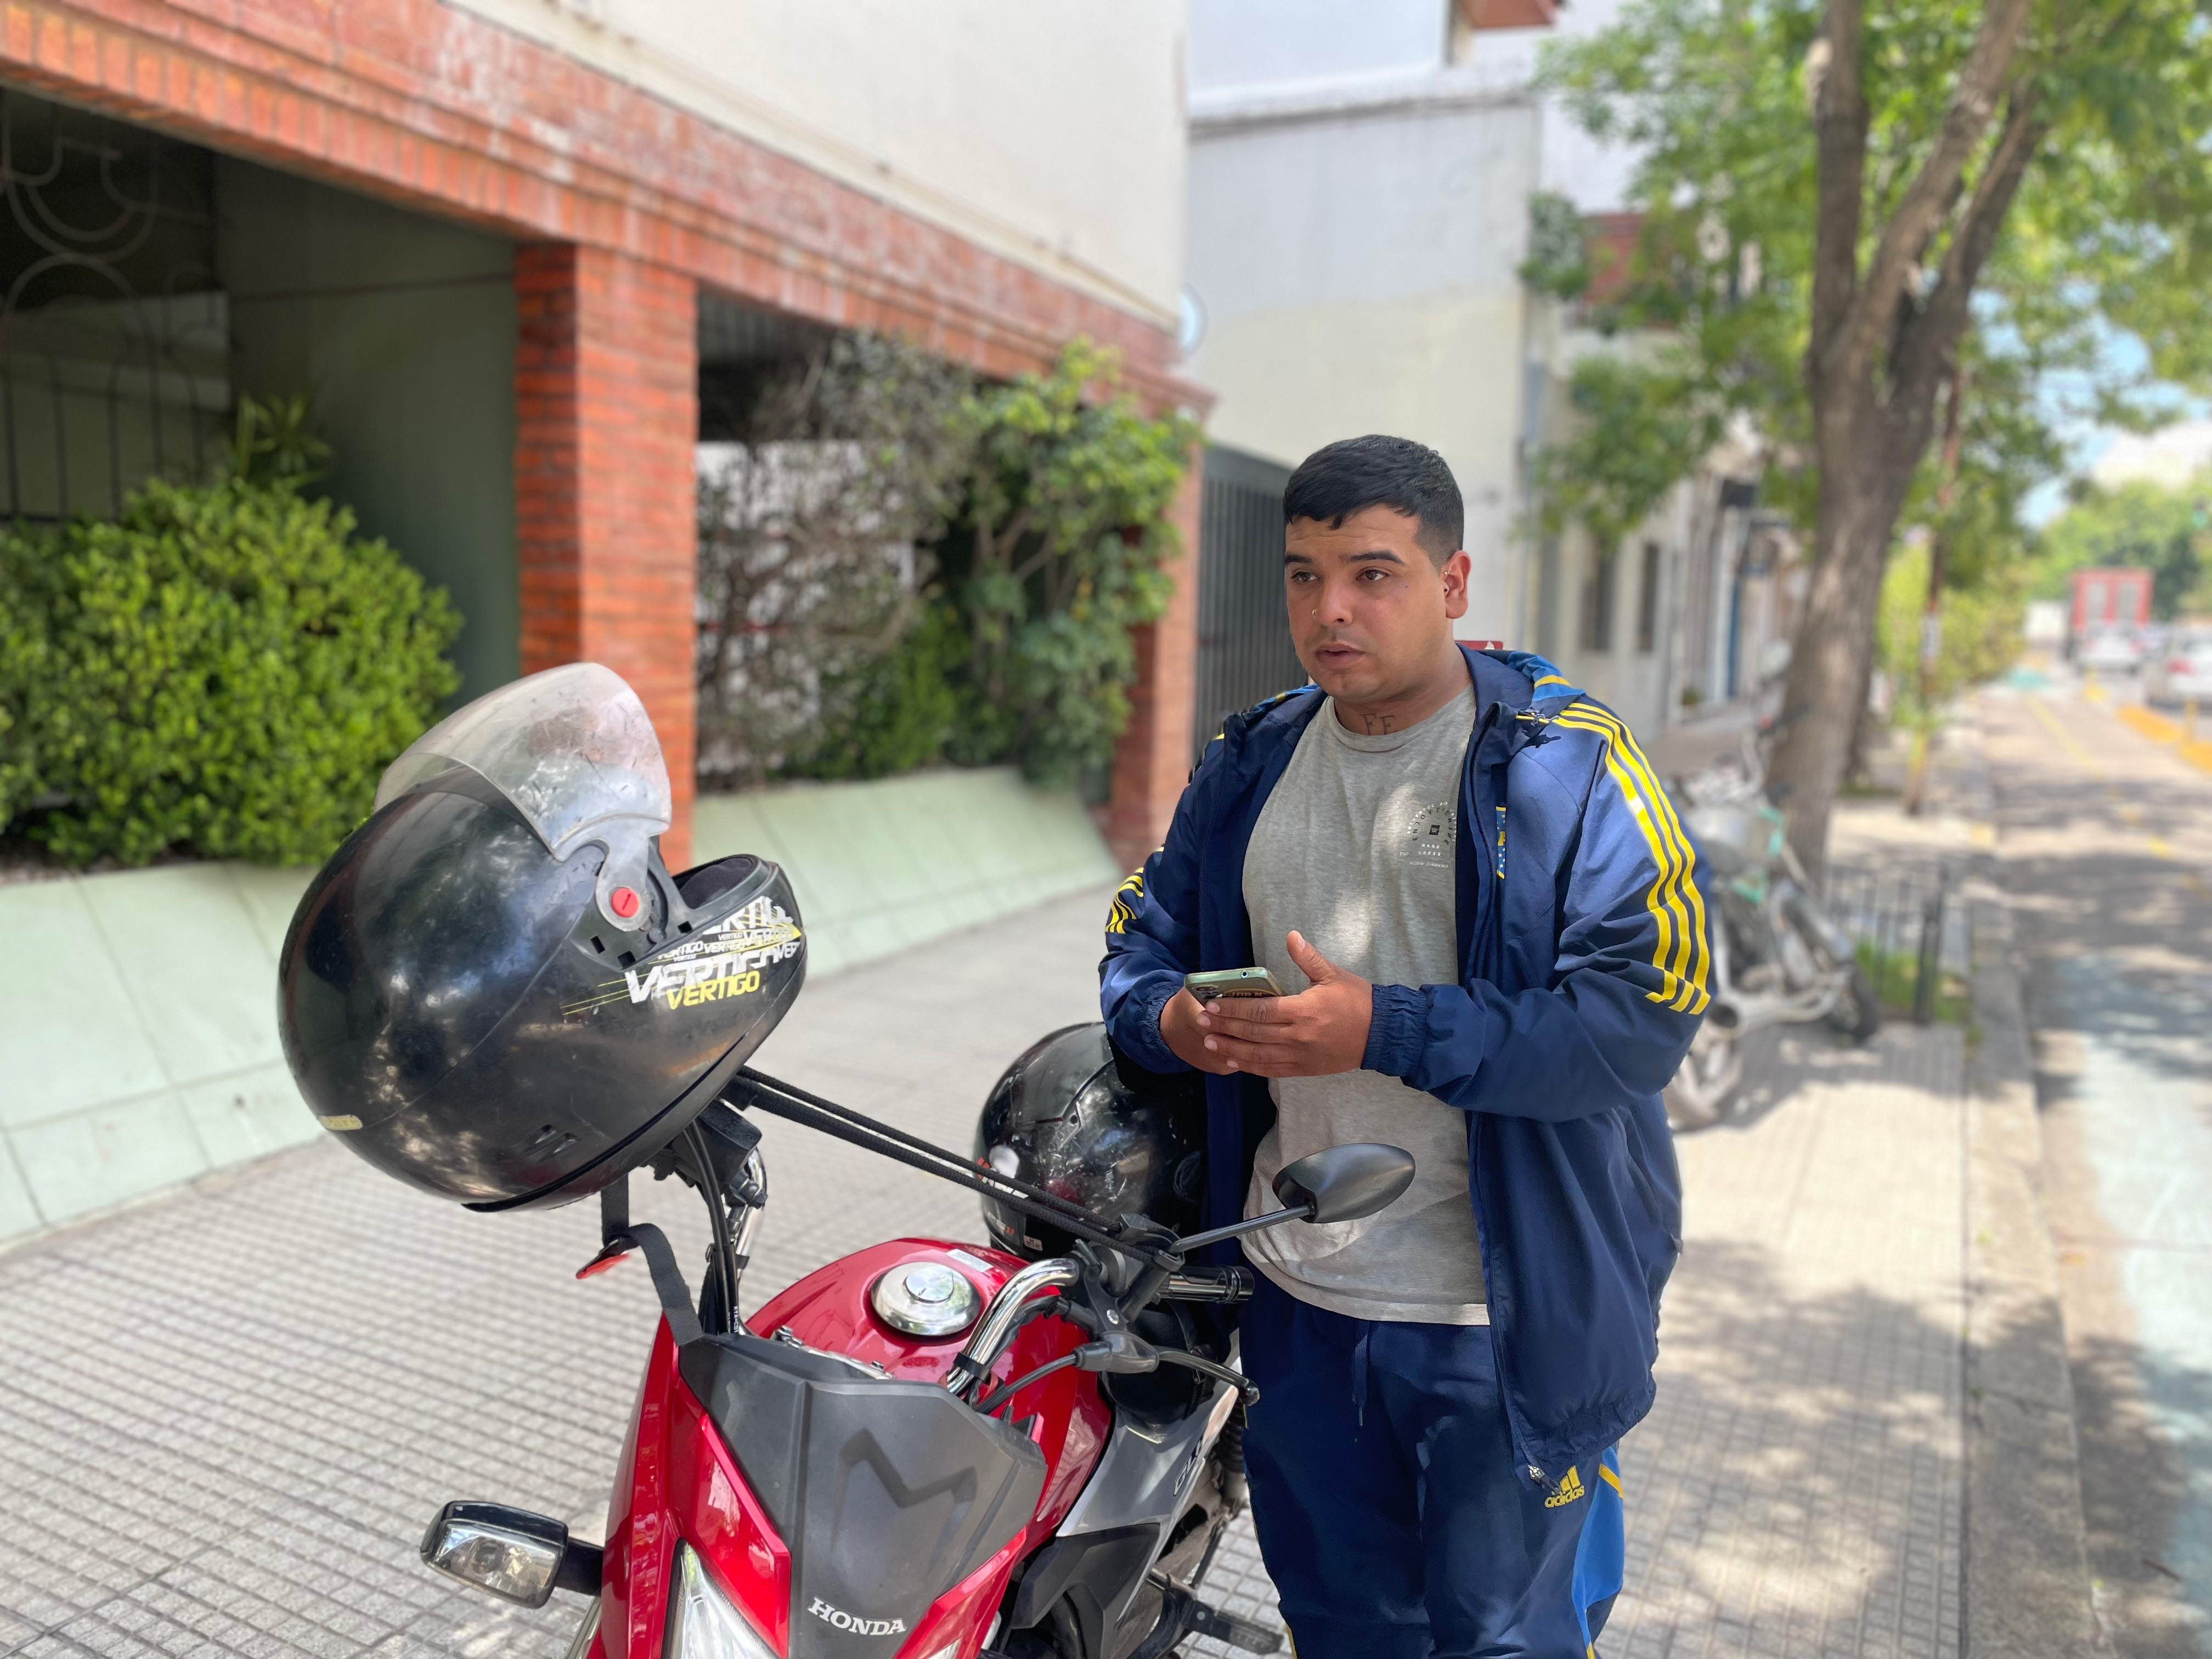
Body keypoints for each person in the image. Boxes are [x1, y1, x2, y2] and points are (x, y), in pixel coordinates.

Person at [1101, 435, 1707, 1658]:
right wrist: (1177, 1026)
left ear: (1456, 582)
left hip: (1501, 1325)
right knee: (1340, 1627)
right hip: (1297, 1297)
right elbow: (1139, 942)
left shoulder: (1570, 767)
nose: (1332, 610)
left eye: (1373, 573)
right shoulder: (1250, 757)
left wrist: (1379, 1026)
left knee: (1508, 1640)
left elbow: (1640, 1019)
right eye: (1303, 575)